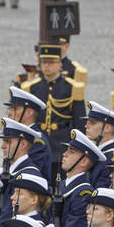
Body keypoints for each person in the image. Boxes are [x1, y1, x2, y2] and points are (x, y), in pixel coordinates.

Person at [21, 44, 86, 178]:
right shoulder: (32, 87)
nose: (46, 66)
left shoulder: (71, 87)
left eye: (51, 62)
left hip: (62, 144)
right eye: (43, 62)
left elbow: (79, 122)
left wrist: (77, 148)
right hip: (39, 145)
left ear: (59, 64)